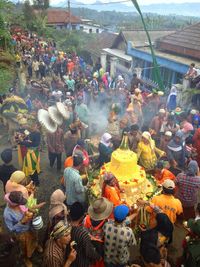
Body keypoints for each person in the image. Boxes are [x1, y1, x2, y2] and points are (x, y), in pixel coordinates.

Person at [3, 191, 39, 267]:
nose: (22, 203)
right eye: (20, 203)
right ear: (14, 204)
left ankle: (35, 245)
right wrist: (22, 221)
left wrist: (31, 211)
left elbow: (27, 207)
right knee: (24, 247)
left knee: (34, 237)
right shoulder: (7, 214)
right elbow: (11, 229)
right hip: (22, 233)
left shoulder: (20, 202)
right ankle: (26, 259)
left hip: (30, 227)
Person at [68, 202, 101, 266]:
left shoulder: (67, 226)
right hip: (81, 262)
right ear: (82, 216)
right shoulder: (83, 234)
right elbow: (89, 252)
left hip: (70, 258)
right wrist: (99, 257)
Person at [84, 197, 113, 267]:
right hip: (101, 246)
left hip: (90, 243)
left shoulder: (86, 218)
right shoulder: (106, 223)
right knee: (100, 261)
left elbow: (85, 230)